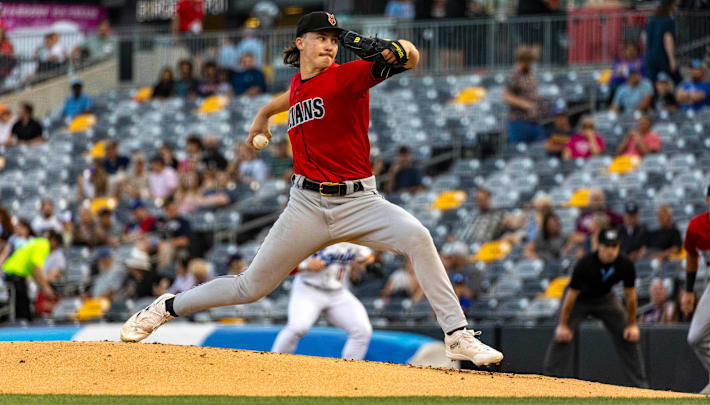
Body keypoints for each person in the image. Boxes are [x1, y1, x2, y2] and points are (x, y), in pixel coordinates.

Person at [121, 11, 503, 367]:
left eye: (334, 40)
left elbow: (412, 57)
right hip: (306, 204)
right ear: (300, 42)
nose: (330, 45)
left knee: (418, 237)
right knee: (250, 287)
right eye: (321, 37)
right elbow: (289, 97)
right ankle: (165, 308)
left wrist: (396, 49)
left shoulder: (349, 74)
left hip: (359, 201)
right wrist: (260, 118)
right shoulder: (299, 83)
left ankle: (456, 334)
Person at [543, 229, 648, 388]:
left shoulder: (625, 264)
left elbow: (631, 296)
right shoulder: (585, 263)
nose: (611, 251)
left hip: (605, 298)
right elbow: (570, 296)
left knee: (628, 335)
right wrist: (563, 325)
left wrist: (632, 324)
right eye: (607, 246)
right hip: (579, 300)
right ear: (599, 246)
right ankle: (549, 382)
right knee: (562, 336)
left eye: (614, 246)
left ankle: (640, 387)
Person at [271, 243, 374, 360]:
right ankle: (273, 364)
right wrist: (304, 266)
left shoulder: (350, 235)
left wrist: (370, 264)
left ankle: (349, 373)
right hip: (308, 289)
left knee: (362, 331)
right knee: (297, 327)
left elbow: (367, 256)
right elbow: (282, 264)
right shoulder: (310, 233)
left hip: (338, 293)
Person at [682, 181, 710, 394]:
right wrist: (688, 290)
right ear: (708, 200)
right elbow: (691, 256)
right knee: (696, 337)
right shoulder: (696, 226)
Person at [2, 234, 55, 320]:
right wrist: (45, 287)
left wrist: (42, 286)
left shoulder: (36, 242)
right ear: (54, 241)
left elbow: (34, 272)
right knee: (22, 311)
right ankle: (20, 330)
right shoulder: (44, 245)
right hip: (15, 274)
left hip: (12, 273)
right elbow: (37, 269)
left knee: (21, 307)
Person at [503, 47, 544, 144]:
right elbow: (506, 95)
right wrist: (527, 105)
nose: (531, 65)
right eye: (529, 62)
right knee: (519, 155)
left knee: (537, 153)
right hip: (519, 122)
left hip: (533, 121)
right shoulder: (514, 74)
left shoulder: (529, 74)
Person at [643, 0, 680, 83]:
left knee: (652, 83)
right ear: (670, 6)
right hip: (663, 57)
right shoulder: (668, 21)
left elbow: (644, 37)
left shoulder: (651, 20)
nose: (676, 8)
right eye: (675, 5)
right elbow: (668, 39)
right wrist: (672, 60)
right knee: (677, 80)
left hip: (650, 56)